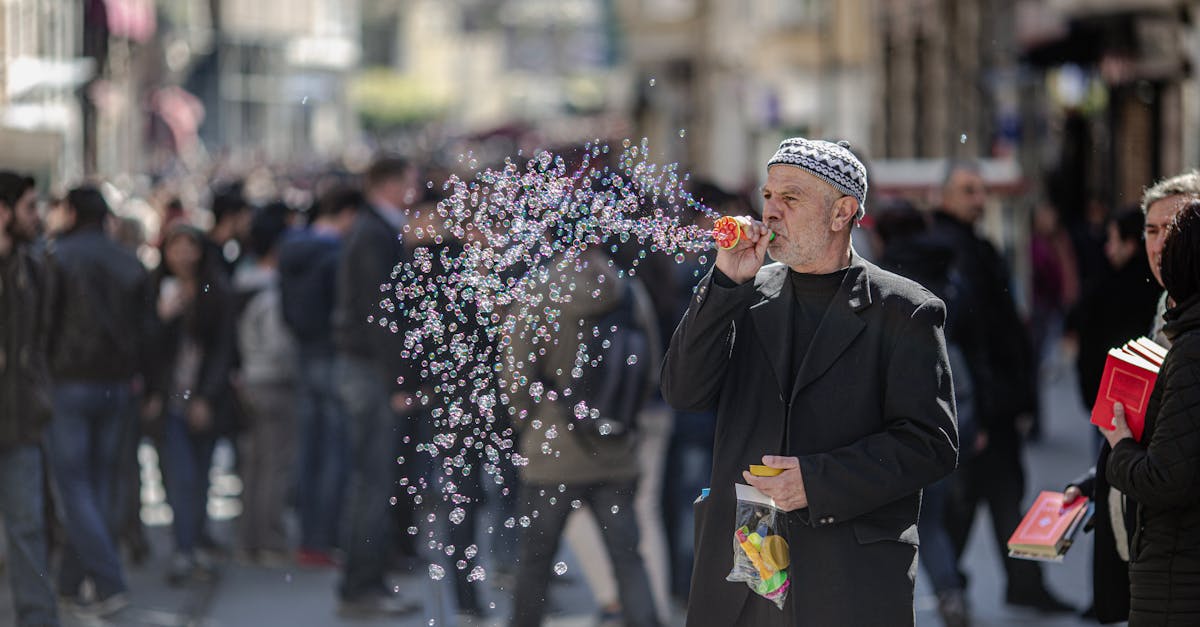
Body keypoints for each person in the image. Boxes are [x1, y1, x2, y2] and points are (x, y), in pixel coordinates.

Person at [661, 138, 958, 625]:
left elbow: (932, 444)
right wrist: (722, 287)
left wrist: (817, 482)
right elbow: (682, 392)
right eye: (768, 196)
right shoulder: (743, 290)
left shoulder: (905, 309)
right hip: (745, 574)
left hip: (845, 577)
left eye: (791, 198)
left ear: (842, 212)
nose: (771, 212)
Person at [931, 161, 1073, 613]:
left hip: (994, 405)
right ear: (945, 197)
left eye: (980, 190)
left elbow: (1001, 329)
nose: (978, 199)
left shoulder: (979, 248)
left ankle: (1024, 581)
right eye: (968, 190)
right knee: (963, 505)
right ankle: (954, 585)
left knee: (1007, 497)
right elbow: (966, 339)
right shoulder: (950, 252)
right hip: (975, 409)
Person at [1061, 171, 1200, 624]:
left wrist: (1120, 451)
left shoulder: (1187, 327)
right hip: (1150, 537)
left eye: (1175, 230)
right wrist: (1098, 477)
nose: (1161, 246)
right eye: (1153, 231)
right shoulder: (1166, 309)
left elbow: (1172, 464)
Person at [506, 245, 662, 627]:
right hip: (616, 451)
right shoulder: (628, 290)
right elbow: (650, 367)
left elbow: (516, 376)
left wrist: (527, 426)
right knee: (628, 558)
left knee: (535, 560)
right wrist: (620, 418)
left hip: (551, 451)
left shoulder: (537, 293)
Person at [43, 186, 152, 617]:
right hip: (116, 382)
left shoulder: (57, 257)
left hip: (69, 381)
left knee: (75, 486)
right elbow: (146, 331)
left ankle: (107, 583)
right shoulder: (128, 260)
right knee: (99, 484)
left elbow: (44, 323)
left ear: (72, 212)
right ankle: (71, 581)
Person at [873, 199, 981, 627]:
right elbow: (976, 344)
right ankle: (951, 593)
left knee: (890, 520)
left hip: (891, 418)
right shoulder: (951, 274)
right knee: (932, 517)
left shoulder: (880, 281)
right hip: (950, 409)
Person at [331, 156, 422, 617]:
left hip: (368, 370)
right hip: (370, 373)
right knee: (374, 480)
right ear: (388, 183)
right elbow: (381, 314)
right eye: (409, 179)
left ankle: (367, 580)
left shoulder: (374, 230)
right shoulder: (374, 234)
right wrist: (398, 380)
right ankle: (362, 584)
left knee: (375, 480)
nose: (415, 187)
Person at [146, 224, 237, 585]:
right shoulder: (154, 288)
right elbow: (146, 347)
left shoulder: (215, 289)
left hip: (203, 395)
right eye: (175, 247)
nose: (183, 255)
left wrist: (207, 397)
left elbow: (224, 349)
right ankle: (185, 550)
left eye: (189, 247)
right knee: (179, 476)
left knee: (200, 477)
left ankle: (194, 543)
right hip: (168, 399)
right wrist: (164, 317)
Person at [278, 186, 360, 568]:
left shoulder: (292, 249)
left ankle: (309, 538)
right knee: (334, 452)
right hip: (331, 356)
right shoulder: (336, 254)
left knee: (310, 449)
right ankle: (324, 538)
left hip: (303, 354)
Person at [0, 172, 61, 627]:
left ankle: (38, 618)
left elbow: (44, 343)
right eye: (29, 207)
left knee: (28, 528)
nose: (36, 216)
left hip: (20, 420)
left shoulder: (32, 268)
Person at [233, 203, 297, 564]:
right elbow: (278, 346)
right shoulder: (271, 291)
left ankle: (248, 539)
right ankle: (269, 540)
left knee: (254, 464)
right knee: (274, 464)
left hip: (248, 378)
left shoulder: (242, 281)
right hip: (272, 380)